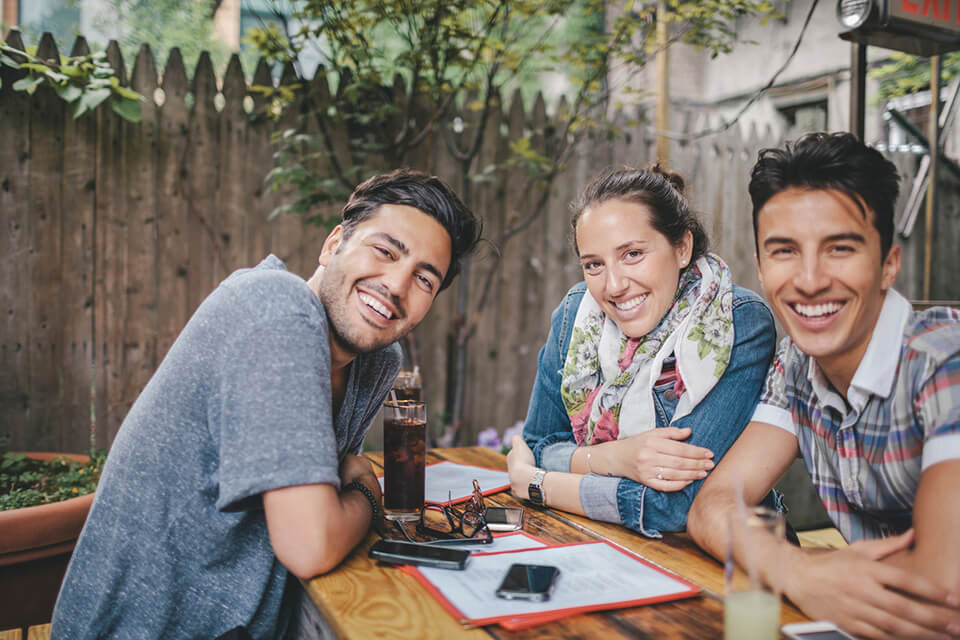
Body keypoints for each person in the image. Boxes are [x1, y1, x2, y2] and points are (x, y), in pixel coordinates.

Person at [51, 170, 481, 639]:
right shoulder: (277, 307)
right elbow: (311, 543)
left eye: (424, 279)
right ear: (333, 243)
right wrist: (367, 494)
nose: (397, 285)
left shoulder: (377, 361)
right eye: (385, 250)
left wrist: (345, 493)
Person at [687, 132, 960, 639]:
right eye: (785, 251)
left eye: (839, 248)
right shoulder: (797, 364)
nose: (810, 280)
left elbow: (945, 584)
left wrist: (803, 572)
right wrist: (799, 571)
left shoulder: (945, 361)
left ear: (888, 265)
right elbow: (714, 504)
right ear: (763, 268)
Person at [506, 165, 776, 537]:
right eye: (594, 264)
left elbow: (673, 505)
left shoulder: (736, 324)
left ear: (682, 247)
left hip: (718, 562)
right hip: (602, 543)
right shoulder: (575, 315)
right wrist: (617, 457)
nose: (614, 286)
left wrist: (536, 484)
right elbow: (536, 445)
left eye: (633, 254)